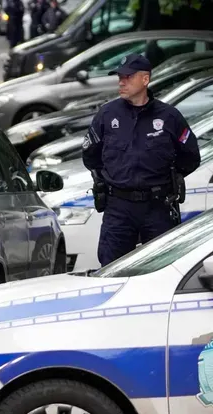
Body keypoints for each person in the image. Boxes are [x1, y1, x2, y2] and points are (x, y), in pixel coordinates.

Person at [82, 54, 201, 267]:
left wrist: (168, 178)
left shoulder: (169, 117)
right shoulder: (108, 115)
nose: (121, 82)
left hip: (158, 207)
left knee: (164, 268)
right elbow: (90, 156)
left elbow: (191, 157)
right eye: (120, 77)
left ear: (145, 80)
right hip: (119, 208)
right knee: (112, 269)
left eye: (127, 77)